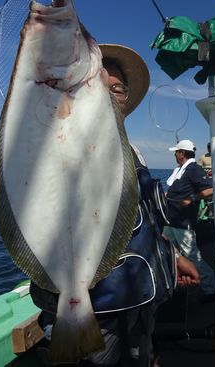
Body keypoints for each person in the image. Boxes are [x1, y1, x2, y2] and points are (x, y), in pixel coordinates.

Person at [30, 44, 200, 367]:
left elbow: (142, 221)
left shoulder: (133, 153)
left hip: (137, 302)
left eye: (117, 88)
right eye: (97, 85)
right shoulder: (60, 148)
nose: (109, 95)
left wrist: (172, 257)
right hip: (94, 315)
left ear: (125, 101)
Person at [163, 139, 215, 300]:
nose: (175, 154)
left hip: (182, 224)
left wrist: (192, 198)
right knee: (166, 251)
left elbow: (210, 189)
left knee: (193, 256)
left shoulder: (194, 169)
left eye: (176, 152)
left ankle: (210, 288)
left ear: (182, 154)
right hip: (171, 221)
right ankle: (175, 282)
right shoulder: (181, 170)